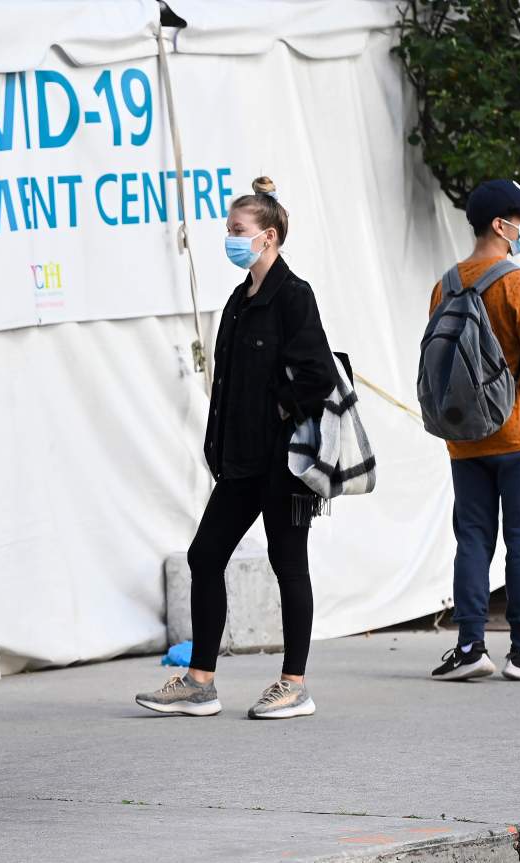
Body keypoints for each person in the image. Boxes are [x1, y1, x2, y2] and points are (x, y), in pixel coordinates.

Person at [135, 176, 338, 720]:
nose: (230, 238)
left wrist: (278, 410)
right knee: (206, 555)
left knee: (287, 561)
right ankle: (200, 681)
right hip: (240, 461)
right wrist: (218, 445)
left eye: (238, 230)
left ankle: (293, 683)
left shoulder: (293, 296)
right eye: (229, 229)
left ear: (268, 236)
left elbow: (319, 375)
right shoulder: (238, 299)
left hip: (285, 462)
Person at [428, 179, 520, 682]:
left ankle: (470, 646)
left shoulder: (446, 284)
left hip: (466, 437)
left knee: (472, 539)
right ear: (501, 225)